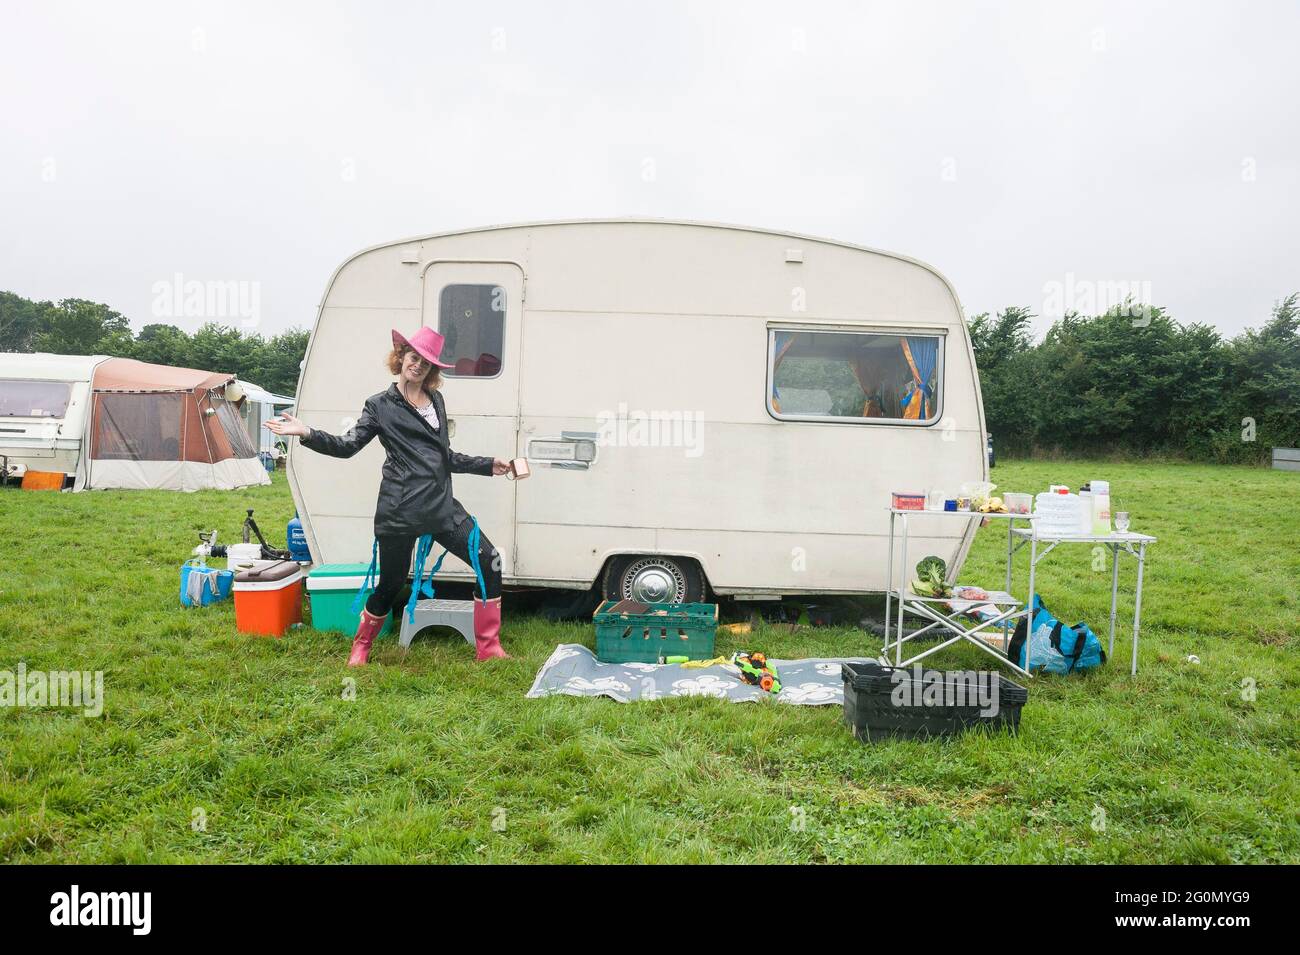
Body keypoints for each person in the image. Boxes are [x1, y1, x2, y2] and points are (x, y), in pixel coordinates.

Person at [265, 327, 512, 665]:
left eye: (426, 363)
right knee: (392, 583)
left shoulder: (436, 400)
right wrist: (307, 432)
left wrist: (488, 465)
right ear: (401, 357)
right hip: (400, 511)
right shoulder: (379, 405)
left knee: (488, 561)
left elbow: (445, 456)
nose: (419, 366)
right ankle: (362, 645)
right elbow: (347, 446)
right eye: (414, 358)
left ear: (432, 370)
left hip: (441, 507)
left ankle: (489, 648)